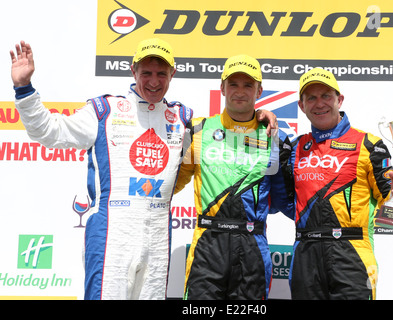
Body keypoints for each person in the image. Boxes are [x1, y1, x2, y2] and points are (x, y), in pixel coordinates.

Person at [10, 38, 193, 300]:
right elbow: (48, 132)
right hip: (112, 232)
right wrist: (23, 88)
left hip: (158, 236)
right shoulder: (105, 111)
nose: (154, 81)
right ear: (133, 71)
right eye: (146, 73)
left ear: (172, 74)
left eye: (161, 74)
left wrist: (259, 117)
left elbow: (224, 143)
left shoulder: (182, 118)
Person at [175, 54, 294, 300]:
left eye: (248, 85)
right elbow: (174, 182)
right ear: (222, 88)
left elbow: (284, 200)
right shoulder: (197, 130)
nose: (240, 92)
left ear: (259, 90)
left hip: (252, 245)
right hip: (208, 244)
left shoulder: (274, 137)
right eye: (233, 84)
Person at [289, 67, 393, 300]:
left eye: (326, 95)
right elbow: (284, 200)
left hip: (352, 252)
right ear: (301, 106)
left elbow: (389, 204)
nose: (319, 104)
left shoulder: (369, 145)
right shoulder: (295, 148)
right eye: (311, 98)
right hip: (306, 253)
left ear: (339, 99)